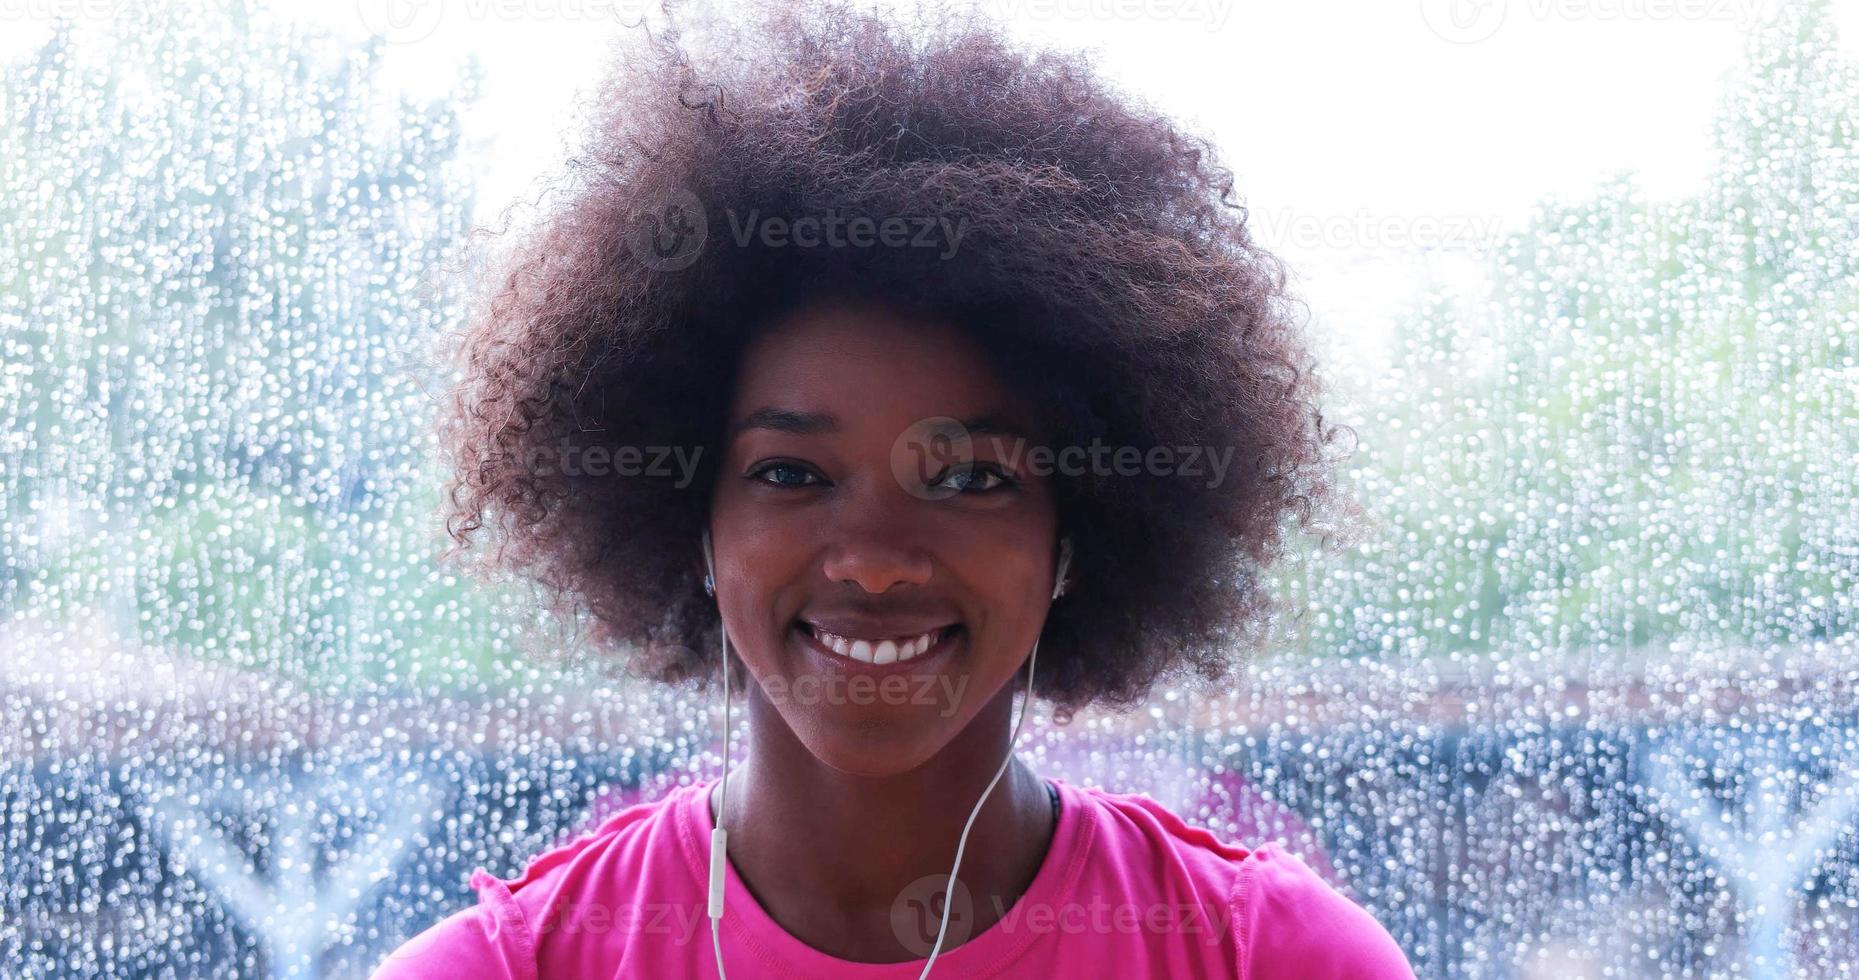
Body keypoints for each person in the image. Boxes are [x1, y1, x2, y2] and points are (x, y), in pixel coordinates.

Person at [375, 1, 1415, 975]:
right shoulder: (509, 966)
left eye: (969, 476)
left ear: (1074, 533)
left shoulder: (1265, 956)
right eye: (789, 472)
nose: (872, 555)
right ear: (693, 520)